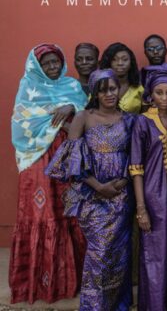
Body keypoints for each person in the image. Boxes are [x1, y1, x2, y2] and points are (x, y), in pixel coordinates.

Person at [46, 69, 135, 310]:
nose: (109, 94)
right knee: (99, 252)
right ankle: (94, 306)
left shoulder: (129, 119)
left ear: (119, 90)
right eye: (103, 89)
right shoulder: (83, 117)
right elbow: (73, 160)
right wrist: (98, 186)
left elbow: (135, 157)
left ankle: (118, 304)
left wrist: (122, 182)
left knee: (120, 254)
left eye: (113, 88)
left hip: (121, 197)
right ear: (94, 93)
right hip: (93, 197)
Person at [10, 45, 87, 304]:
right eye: (47, 63)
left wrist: (70, 108)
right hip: (36, 162)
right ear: (37, 66)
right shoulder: (27, 88)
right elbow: (21, 126)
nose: (53, 67)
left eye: (57, 62)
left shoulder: (72, 87)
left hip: (67, 159)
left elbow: (84, 111)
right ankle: (38, 284)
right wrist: (55, 119)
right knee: (43, 215)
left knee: (68, 214)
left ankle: (69, 281)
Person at [129, 64, 167, 311]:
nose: (164, 98)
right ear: (150, 94)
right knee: (154, 256)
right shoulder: (142, 122)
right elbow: (136, 166)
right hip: (153, 197)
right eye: (159, 93)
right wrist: (141, 207)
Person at [99, 42, 144, 114]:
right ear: (108, 62)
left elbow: (145, 116)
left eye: (125, 59)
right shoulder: (99, 87)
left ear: (131, 63)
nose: (120, 63)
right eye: (114, 59)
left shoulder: (139, 88)